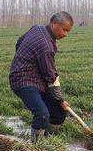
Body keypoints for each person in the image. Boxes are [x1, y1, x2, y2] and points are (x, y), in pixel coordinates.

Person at [9, 11, 74, 142]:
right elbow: (51, 77)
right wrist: (60, 100)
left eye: (68, 31)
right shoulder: (46, 47)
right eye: (64, 30)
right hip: (22, 80)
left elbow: (19, 42)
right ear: (53, 24)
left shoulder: (37, 28)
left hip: (37, 79)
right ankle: (36, 146)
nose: (65, 34)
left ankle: (47, 139)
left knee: (59, 112)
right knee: (42, 114)